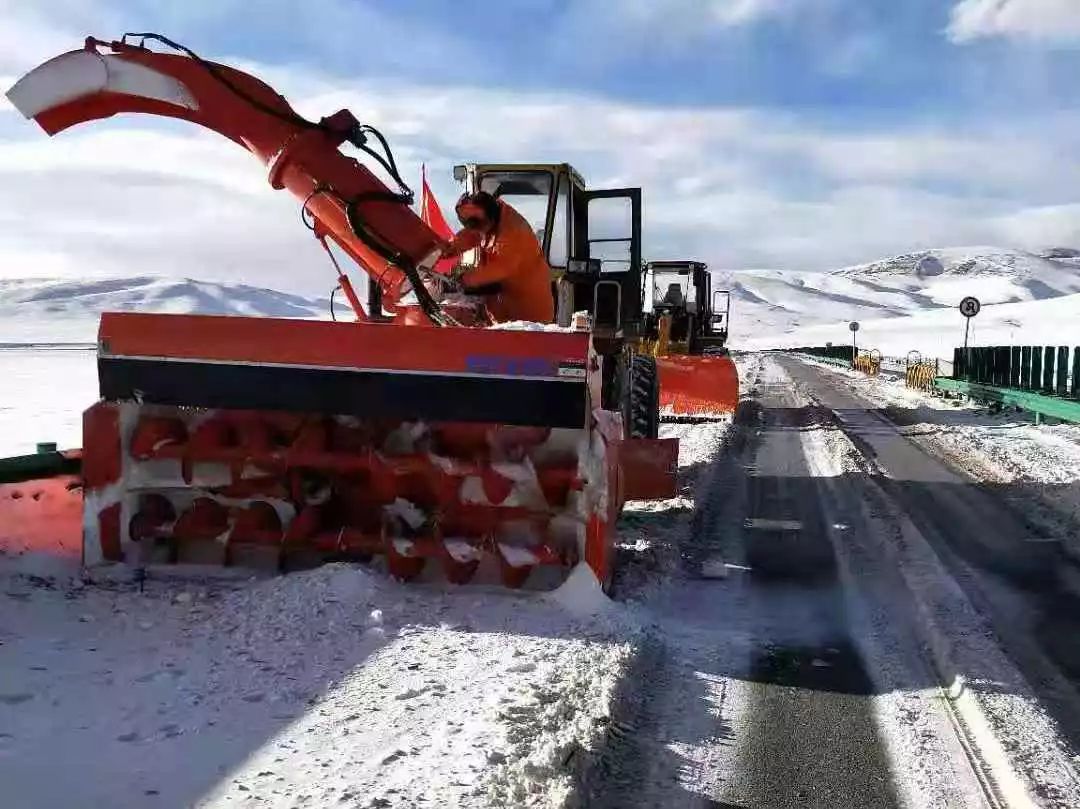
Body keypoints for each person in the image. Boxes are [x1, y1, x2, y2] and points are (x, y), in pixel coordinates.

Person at [440, 191, 554, 323]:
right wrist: (449, 248)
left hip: (530, 314)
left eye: (476, 225)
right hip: (505, 309)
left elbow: (501, 268)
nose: (477, 230)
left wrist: (463, 280)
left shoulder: (513, 232)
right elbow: (472, 235)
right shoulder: (491, 216)